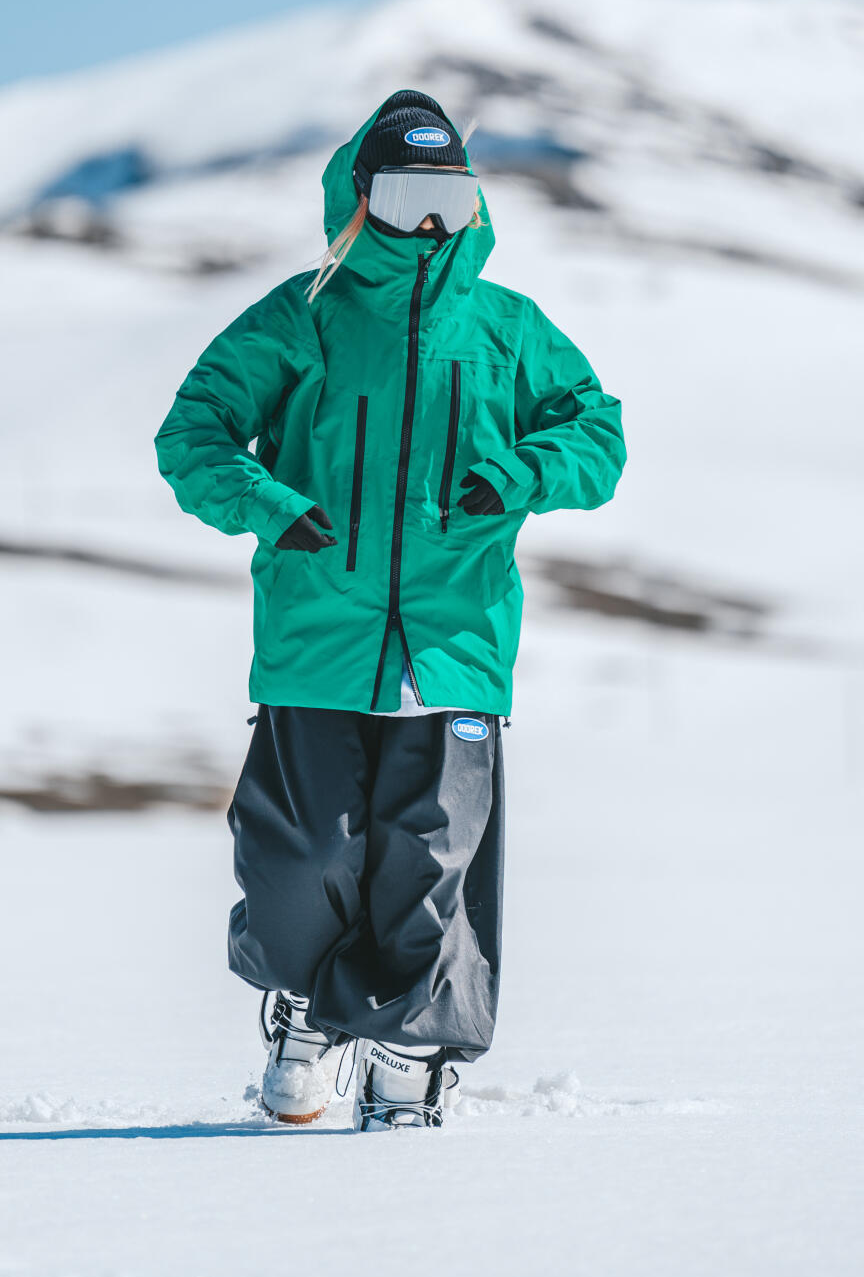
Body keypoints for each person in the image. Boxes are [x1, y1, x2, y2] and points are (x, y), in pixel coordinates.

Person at [155, 90, 626, 1130]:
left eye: (450, 200)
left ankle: (413, 1051)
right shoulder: (303, 315)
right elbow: (192, 432)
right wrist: (270, 505)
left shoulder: (507, 328)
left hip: (457, 646)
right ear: (360, 201)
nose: (430, 225)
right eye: (409, 199)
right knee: (305, 856)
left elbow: (598, 436)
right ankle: (304, 1010)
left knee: (431, 860)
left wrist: (521, 473)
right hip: (316, 643)